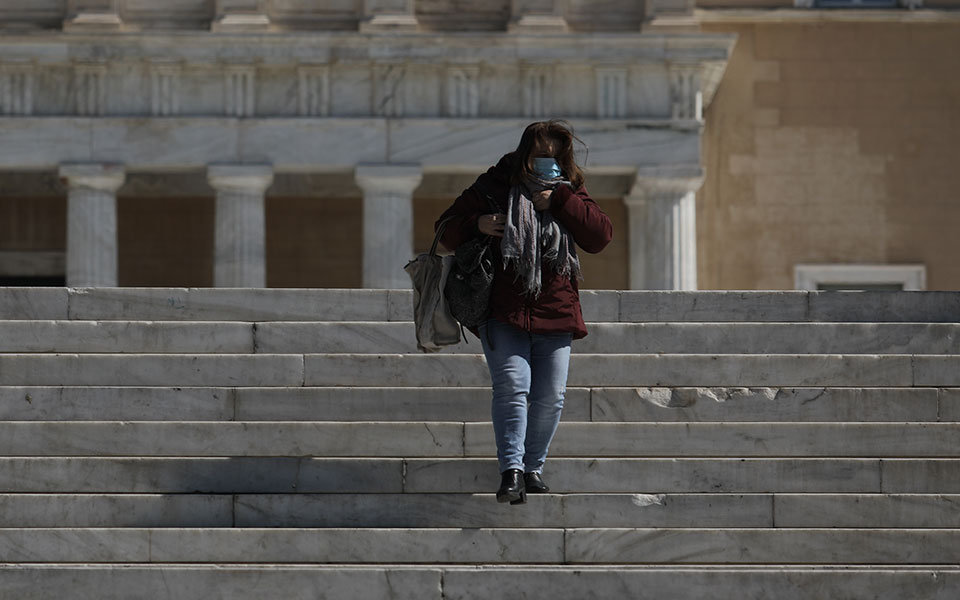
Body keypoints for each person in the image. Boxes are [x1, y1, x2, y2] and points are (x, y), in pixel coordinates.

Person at [436, 120, 613, 504]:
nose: (547, 163)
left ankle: (533, 468)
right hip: (504, 308)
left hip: (556, 309)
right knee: (512, 387)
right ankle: (511, 470)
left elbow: (600, 236)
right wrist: (478, 224)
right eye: (540, 156)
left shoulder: (569, 189)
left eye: (555, 157)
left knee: (551, 395)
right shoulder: (494, 185)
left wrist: (560, 201)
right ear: (524, 155)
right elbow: (444, 232)